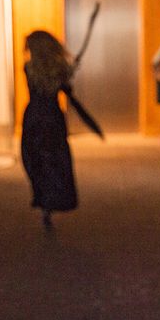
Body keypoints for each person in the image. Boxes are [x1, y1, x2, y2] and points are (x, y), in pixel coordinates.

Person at [21, 30, 102, 229]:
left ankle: (44, 200)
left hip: (34, 118)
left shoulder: (29, 68)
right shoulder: (58, 70)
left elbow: (46, 86)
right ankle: (49, 200)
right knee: (54, 160)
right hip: (52, 118)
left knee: (35, 159)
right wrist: (69, 71)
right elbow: (64, 89)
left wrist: (67, 71)